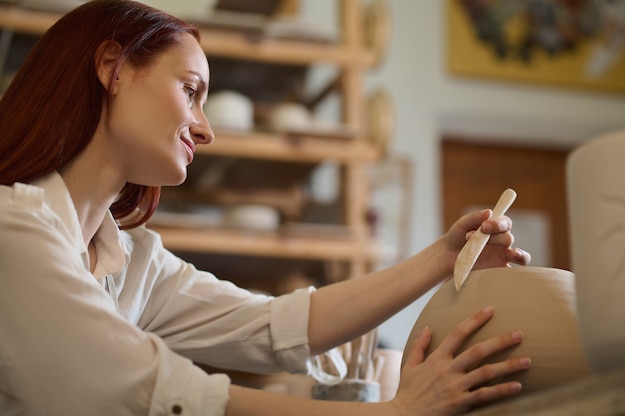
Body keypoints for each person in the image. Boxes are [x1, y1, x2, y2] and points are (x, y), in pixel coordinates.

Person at [0, 1, 532, 415]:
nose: (206, 129)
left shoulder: (133, 261)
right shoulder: (14, 231)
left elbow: (272, 327)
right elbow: (154, 391)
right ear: (112, 67)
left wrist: (440, 258)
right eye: (190, 91)